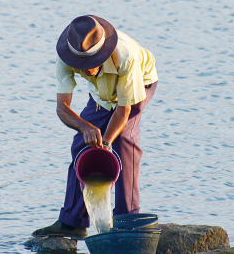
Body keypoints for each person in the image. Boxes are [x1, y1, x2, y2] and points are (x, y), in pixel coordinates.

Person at [33, 15, 158, 239]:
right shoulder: (66, 56)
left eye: (92, 63)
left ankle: (125, 219)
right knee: (82, 145)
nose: (87, 70)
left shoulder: (126, 57)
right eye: (81, 65)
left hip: (137, 86)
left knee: (124, 143)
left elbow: (123, 110)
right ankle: (73, 222)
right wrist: (85, 128)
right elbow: (62, 107)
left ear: (103, 53)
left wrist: (106, 144)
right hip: (101, 95)